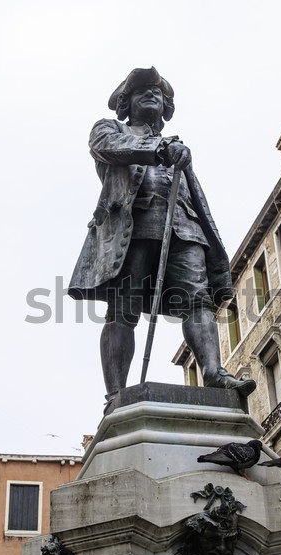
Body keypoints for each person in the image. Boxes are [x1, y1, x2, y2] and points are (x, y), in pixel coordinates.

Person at [68, 67, 256, 409]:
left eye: (156, 91)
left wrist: (174, 152)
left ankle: (214, 372)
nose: (151, 94)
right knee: (122, 311)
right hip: (132, 228)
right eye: (141, 90)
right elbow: (108, 146)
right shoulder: (111, 129)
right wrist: (159, 149)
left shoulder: (177, 147)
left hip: (184, 228)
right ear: (126, 102)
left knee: (198, 301)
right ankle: (116, 394)